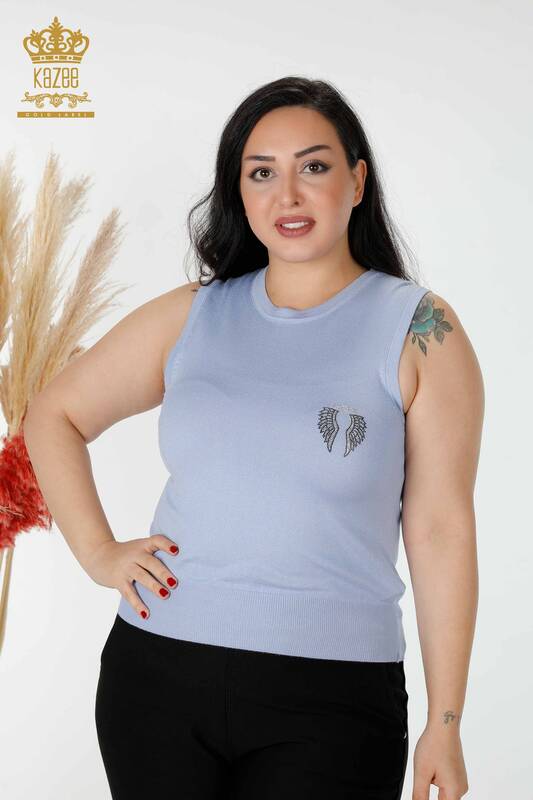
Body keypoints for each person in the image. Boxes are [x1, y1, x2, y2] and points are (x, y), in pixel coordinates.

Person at [23, 76, 483, 799]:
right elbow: (54, 414)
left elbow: (440, 531)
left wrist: (445, 722)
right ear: (239, 192)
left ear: (357, 181)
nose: (287, 196)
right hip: (158, 675)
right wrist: (99, 553)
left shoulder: (420, 329)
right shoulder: (194, 315)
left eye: (314, 167)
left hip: (334, 696)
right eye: (261, 173)